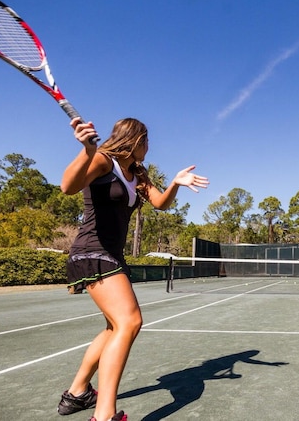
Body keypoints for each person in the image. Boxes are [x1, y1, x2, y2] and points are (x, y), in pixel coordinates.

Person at [57, 117, 209, 421]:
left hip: (111, 254)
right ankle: (104, 415)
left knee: (116, 326)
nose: (149, 147)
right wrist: (86, 151)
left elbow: (161, 203)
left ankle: (77, 392)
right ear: (135, 140)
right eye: (147, 141)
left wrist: (175, 184)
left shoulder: (137, 172)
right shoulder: (102, 160)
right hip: (92, 251)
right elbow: (68, 187)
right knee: (130, 321)